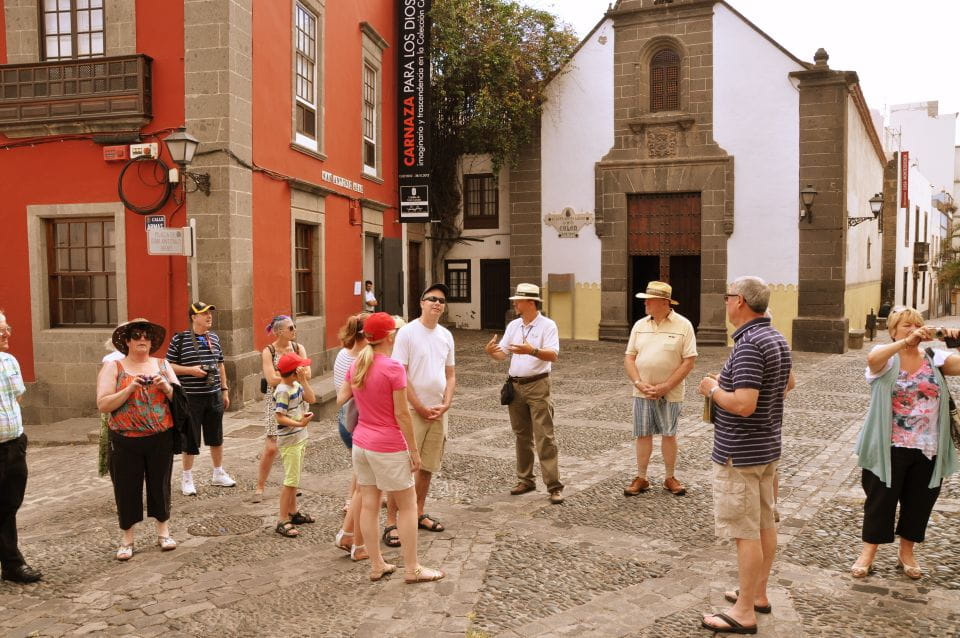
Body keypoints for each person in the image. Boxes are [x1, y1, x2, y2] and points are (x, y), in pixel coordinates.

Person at [697, 276, 794, 634]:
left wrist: (713, 389)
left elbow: (744, 404)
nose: (724, 302)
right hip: (766, 448)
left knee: (745, 533)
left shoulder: (750, 343)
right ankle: (758, 594)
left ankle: (743, 612)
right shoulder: (775, 337)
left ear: (739, 301)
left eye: (727, 297)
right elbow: (788, 383)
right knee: (765, 525)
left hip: (740, 453)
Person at [850, 308, 959, 579]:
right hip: (888, 445)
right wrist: (904, 344)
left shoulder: (934, 357)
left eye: (917, 325)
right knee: (880, 501)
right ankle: (868, 553)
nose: (912, 329)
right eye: (906, 325)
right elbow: (872, 359)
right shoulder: (886, 357)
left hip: (928, 446)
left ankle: (906, 552)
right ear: (893, 330)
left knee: (919, 502)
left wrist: (955, 340)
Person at [337, 312, 445, 584]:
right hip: (388, 445)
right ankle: (413, 568)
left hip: (362, 443)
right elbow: (402, 414)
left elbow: (341, 398)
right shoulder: (393, 367)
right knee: (408, 507)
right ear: (389, 336)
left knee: (369, 504)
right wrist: (414, 451)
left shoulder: (358, 364)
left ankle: (376, 564)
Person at [96, 318, 180, 561]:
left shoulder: (163, 364)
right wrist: (129, 389)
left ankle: (163, 532)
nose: (142, 339)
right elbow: (103, 404)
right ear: (127, 341)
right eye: (137, 335)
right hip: (125, 439)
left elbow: (180, 401)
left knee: (160, 484)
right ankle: (127, 539)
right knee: (126, 488)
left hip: (160, 437)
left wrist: (167, 388)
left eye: (147, 336)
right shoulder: (114, 367)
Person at [383, 284, 456, 547]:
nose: (437, 304)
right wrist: (420, 406)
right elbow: (400, 374)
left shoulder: (446, 335)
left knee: (426, 468)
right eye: (432, 299)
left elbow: (450, 374)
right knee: (402, 469)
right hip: (413, 410)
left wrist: (446, 403)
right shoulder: (408, 333)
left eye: (441, 301)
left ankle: (417, 512)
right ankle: (392, 522)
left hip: (438, 411)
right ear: (421, 302)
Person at [483, 283, 564, 504]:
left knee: (545, 437)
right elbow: (503, 355)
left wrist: (532, 351)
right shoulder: (514, 325)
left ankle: (554, 486)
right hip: (515, 386)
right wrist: (492, 352)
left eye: (518, 300)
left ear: (530, 302)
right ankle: (526, 479)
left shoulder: (548, 325)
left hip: (538, 385)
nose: (514, 304)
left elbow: (553, 355)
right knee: (521, 436)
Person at [623, 281, 697, 497]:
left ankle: (670, 477)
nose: (645, 303)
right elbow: (629, 357)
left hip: (671, 393)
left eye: (649, 300)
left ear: (664, 302)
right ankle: (642, 477)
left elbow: (689, 361)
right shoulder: (639, 325)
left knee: (669, 434)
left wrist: (666, 385)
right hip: (642, 391)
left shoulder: (684, 325)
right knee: (643, 434)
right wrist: (638, 382)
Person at [166, 301, 235, 495]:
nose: (209, 316)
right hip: (191, 398)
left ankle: (218, 473)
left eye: (209, 313)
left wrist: (224, 390)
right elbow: (168, 366)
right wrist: (191, 371)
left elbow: (220, 365)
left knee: (216, 436)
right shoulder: (180, 339)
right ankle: (187, 478)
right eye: (204, 313)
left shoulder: (213, 337)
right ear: (194, 317)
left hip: (213, 395)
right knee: (190, 439)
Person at [0, 310, 42, 583]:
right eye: (0, 330)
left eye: (7, 328)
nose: (6, 334)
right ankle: (14, 562)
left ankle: (11, 565)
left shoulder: (10, 361)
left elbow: (18, 397)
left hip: (14, 444)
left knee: (9, 504)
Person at [253, 315, 310, 503]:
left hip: (296, 398)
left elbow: (307, 373)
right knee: (271, 447)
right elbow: (270, 379)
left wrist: (285, 376)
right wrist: (293, 376)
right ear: (279, 331)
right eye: (291, 328)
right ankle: (260, 486)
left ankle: (291, 484)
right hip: (276, 399)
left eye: (294, 327)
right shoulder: (269, 351)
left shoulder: (298, 348)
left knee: (295, 443)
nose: (294, 330)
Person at [332, 312, 369, 560]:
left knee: (360, 473)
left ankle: (349, 506)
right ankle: (352, 536)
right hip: (356, 421)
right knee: (366, 482)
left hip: (343, 420)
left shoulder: (342, 354)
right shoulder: (362, 359)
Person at [272, 352, 317, 538]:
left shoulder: (296, 385)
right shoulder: (283, 390)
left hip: (299, 437)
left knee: (294, 479)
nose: (305, 369)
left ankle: (293, 512)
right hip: (290, 440)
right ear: (293, 372)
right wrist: (299, 423)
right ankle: (282, 519)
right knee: (290, 481)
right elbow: (279, 416)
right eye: (301, 368)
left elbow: (312, 399)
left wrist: (304, 381)